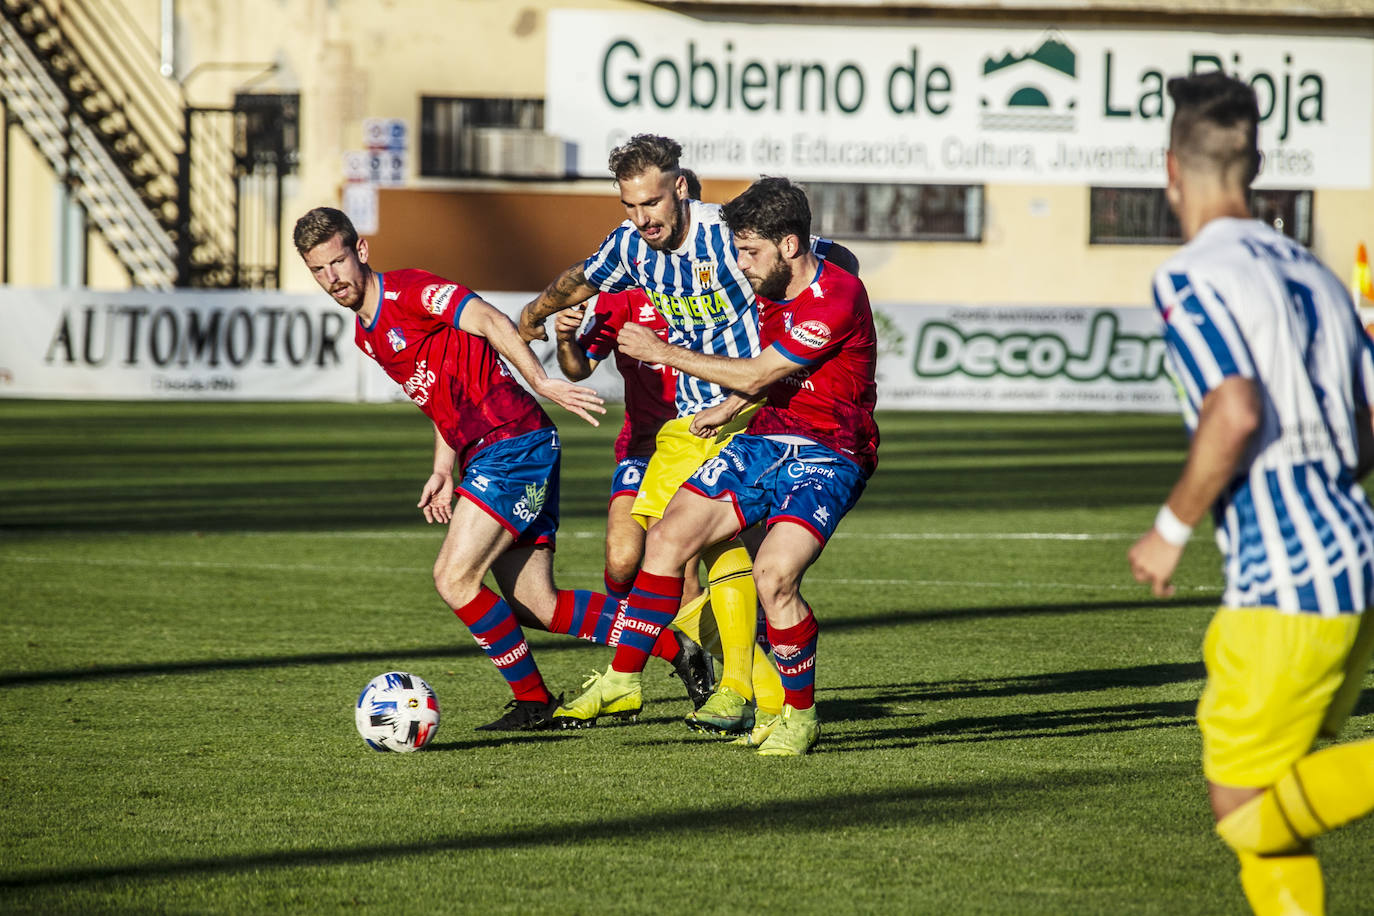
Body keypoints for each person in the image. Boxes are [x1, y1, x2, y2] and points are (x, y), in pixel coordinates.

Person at [293, 207, 711, 731]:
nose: (332, 279)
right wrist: (442, 468)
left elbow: (489, 319)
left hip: (513, 443)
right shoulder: (367, 333)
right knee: (538, 605)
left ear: (361, 252)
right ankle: (677, 647)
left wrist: (541, 381)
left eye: (338, 262)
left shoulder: (412, 292)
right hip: (489, 451)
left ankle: (534, 702)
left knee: (453, 577)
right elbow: (440, 400)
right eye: (318, 270)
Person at [1127, 71, 1374, 915]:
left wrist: (1169, 528)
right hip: (1356, 558)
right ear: (1256, 162)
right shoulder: (1316, 275)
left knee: (1245, 813)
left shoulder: (1194, 274)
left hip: (1287, 579)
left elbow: (1233, 410)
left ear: (1170, 169)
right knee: (1278, 815)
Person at [521, 136, 851, 736]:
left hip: (749, 409)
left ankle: (737, 689)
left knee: (720, 550)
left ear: (679, 187)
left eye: (650, 202)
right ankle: (668, 681)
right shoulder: (629, 249)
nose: (640, 218)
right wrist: (536, 314)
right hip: (687, 419)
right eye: (628, 205)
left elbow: (828, 262)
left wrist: (813, 325)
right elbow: (579, 279)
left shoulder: (729, 235)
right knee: (655, 551)